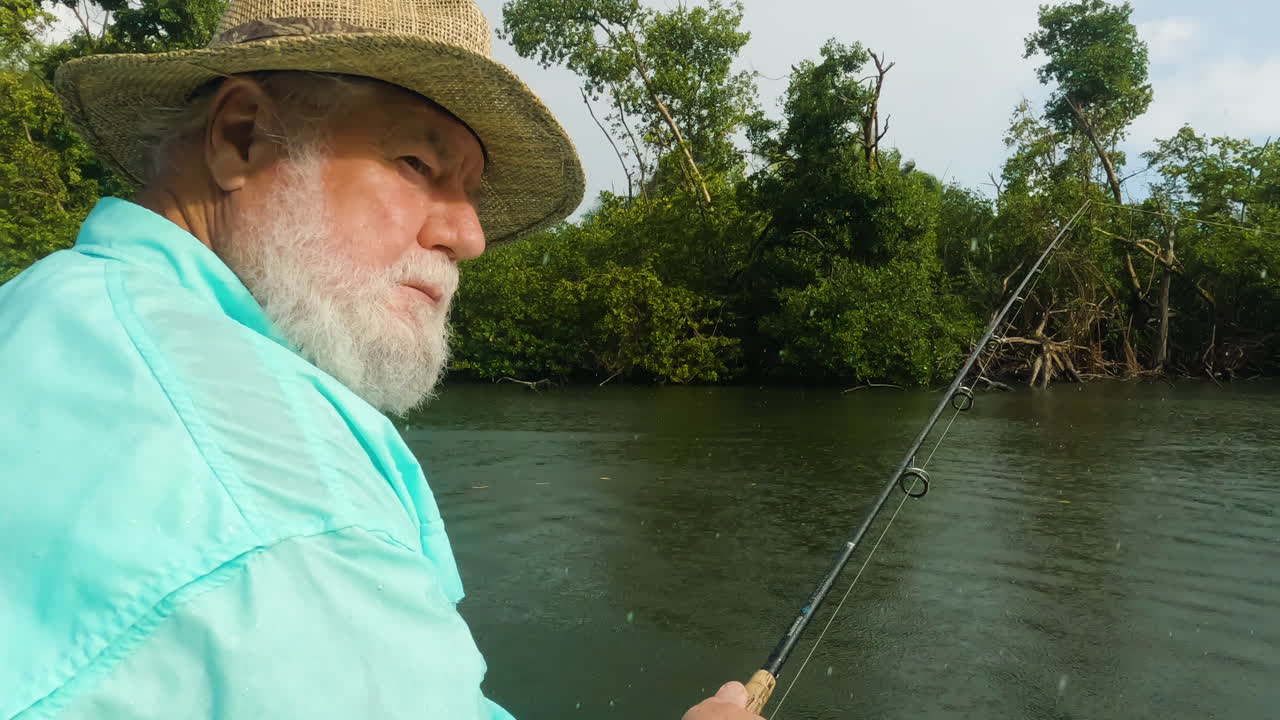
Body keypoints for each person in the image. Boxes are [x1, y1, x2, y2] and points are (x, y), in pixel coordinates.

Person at [0, 1, 764, 718]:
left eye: (469, 189)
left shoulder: (43, 307)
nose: (469, 237)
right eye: (415, 163)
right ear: (241, 137)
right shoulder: (293, 516)